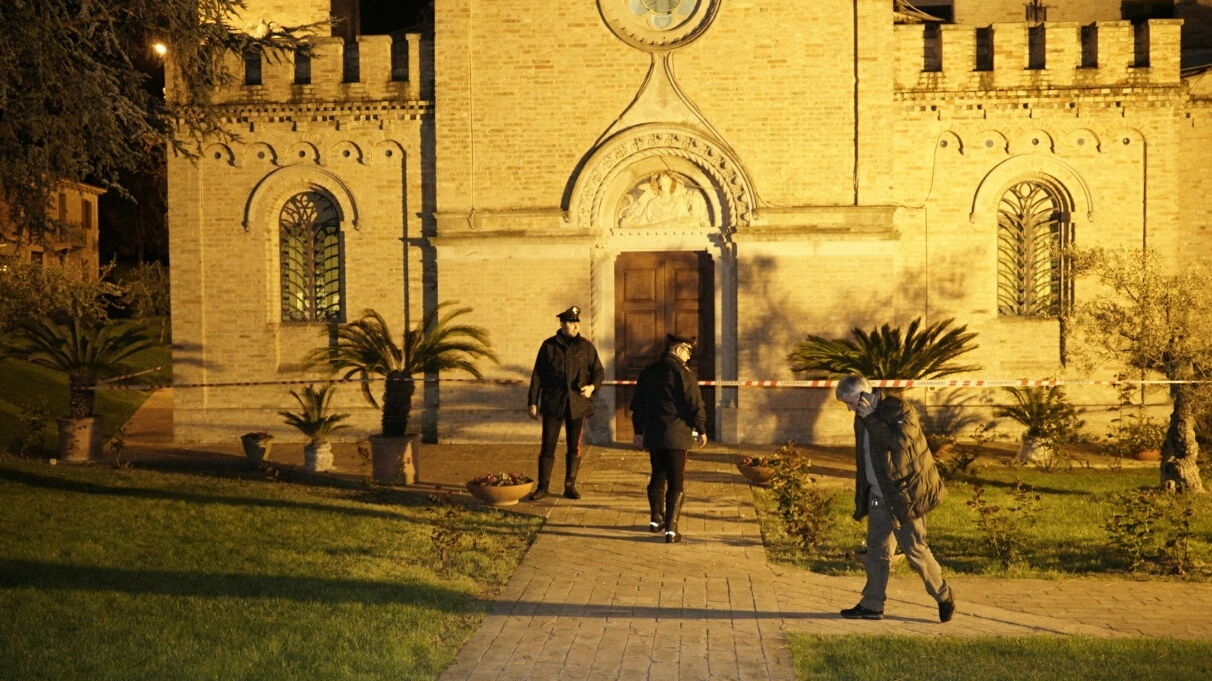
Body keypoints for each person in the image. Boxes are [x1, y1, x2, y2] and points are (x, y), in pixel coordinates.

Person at [834, 374, 955, 623]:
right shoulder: (861, 416)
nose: (849, 409)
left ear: (865, 395)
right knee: (877, 551)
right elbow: (866, 456)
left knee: (915, 550)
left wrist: (871, 418)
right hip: (879, 495)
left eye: (850, 402)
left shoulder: (898, 408)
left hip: (905, 494)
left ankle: (943, 595)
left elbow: (899, 442)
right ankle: (871, 605)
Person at [629, 333, 707, 543]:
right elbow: (695, 403)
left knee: (657, 474)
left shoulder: (649, 371)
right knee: (676, 480)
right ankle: (671, 529)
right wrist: (701, 428)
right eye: (688, 352)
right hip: (677, 435)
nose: (689, 357)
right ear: (678, 349)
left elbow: (638, 405)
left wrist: (638, 431)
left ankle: (656, 519)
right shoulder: (683, 373)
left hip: (654, 434)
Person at [527, 305, 604, 501]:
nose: (574, 326)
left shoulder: (586, 346)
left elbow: (598, 371)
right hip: (554, 402)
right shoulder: (549, 346)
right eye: (570, 322)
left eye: (576, 322)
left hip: (577, 404)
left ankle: (570, 485)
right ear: (562, 324)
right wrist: (532, 401)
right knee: (548, 445)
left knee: (574, 446)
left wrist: (591, 387)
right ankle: (543, 486)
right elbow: (538, 375)